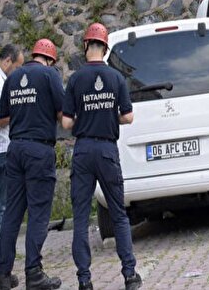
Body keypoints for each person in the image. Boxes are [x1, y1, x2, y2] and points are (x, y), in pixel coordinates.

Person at [62, 24, 141, 290]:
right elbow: (128, 116)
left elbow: (65, 123)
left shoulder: (74, 79)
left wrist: (85, 116)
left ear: (86, 46)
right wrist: (109, 116)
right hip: (107, 150)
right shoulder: (117, 78)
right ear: (105, 48)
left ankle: (84, 280)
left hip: (83, 150)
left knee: (81, 218)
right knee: (118, 214)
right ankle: (130, 275)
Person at [0, 40, 65, 290]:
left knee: (12, 212)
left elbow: (3, 116)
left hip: (15, 149)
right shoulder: (50, 75)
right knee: (38, 213)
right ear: (50, 59)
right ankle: (34, 274)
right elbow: (62, 113)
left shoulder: (12, 78)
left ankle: (3, 273)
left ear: (34, 55)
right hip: (39, 150)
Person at [0, 44, 25, 241]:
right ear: (7, 61)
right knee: (1, 207)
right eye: (17, 67)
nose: (19, 72)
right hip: (0, 149)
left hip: (1, 148)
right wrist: (19, 113)